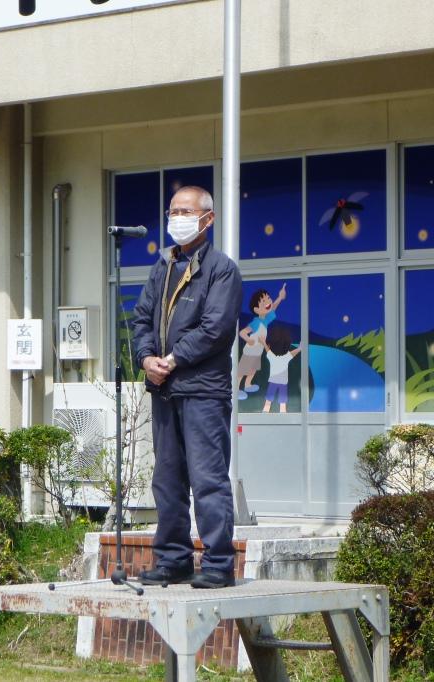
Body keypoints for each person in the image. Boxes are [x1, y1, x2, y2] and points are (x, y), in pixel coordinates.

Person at [130, 185, 242, 589]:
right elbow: (141, 320)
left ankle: (217, 565)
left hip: (203, 392)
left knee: (208, 479)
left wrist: (173, 359)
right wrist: (146, 359)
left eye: (186, 211)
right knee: (167, 479)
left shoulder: (221, 269)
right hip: (163, 390)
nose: (177, 218)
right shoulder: (161, 268)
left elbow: (216, 329)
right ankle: (173, 560)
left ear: (207, 219)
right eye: (173, 210)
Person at [237, 283, 287, 399]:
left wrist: (280, 297)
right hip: (250, 351)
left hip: (257, 351)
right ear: (256, 309)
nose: (268, 302)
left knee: (253, 370)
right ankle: (236, 389)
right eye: (263, 302)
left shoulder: (265, 320)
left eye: (268, 299)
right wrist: (249, 340)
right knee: (243, 370)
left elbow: (273, 308)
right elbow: (242, 332)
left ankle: (248, 385)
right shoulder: (256, 322)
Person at [262, 325, 301, 413]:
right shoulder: (286, 357)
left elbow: (267, 349)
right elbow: (294, 352)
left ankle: (265, 411)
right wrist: (299, 348)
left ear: (271, 344)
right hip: (283, 382)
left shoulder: (272, 356)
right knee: (283, 403)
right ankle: (283, 413)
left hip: (273, 381)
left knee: (268, 402)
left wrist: (263, 343)